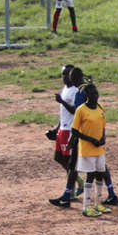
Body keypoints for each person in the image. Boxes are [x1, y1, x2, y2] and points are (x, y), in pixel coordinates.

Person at [70, 82, 109, 218]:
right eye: (93, 94)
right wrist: (91, 139)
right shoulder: (81, 110)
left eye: (97, 93)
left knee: (100, 174)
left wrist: (103, 138)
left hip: (99, 148)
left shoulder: (100, 108)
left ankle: (98, 203)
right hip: (87, 149)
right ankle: (86, 207)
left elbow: (103, 126)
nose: (96, 96)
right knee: (90, 176)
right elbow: (74, 130)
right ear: (87, 95)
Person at [47, 64, 84, 207]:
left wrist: (61, 101)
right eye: (62, 74)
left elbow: (76, 111)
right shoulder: (65, 89)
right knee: (58, 158)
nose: (64, 77)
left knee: (70, 162)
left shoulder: (75, 91)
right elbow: (63, 112)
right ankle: (77, 183)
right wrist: (56, 129)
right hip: (63, 129)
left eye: (66, 74)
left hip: (70, 130)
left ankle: (71, 192)